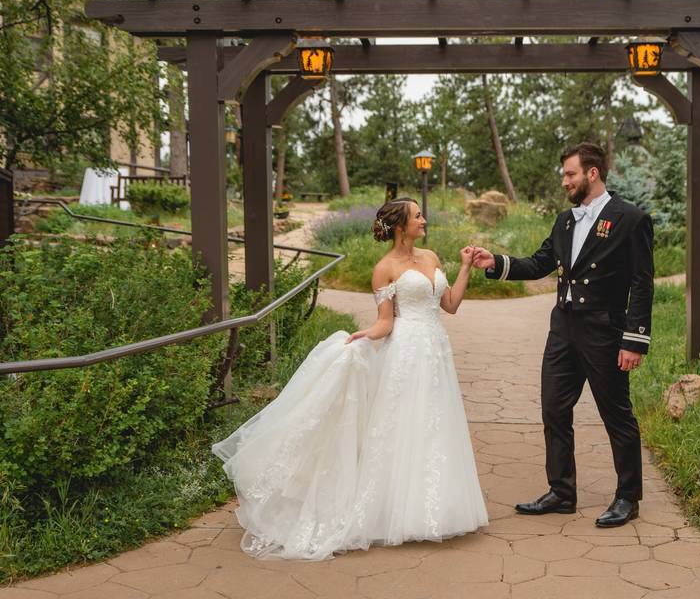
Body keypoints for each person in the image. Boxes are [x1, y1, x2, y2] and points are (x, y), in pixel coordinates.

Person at [213, 197, 488, 559]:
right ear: (401, 226)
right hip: (405, 353)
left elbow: (450, 304)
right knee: (402, 427)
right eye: (417, 215)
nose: (424, 219)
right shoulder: (384, 268)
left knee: (435, 426)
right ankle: (392, 512)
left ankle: (434, 509)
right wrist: (362, 337)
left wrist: (467, 266)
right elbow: (386, 321)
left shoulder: (433, 257)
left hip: (436, 350)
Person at [472, 142, 653, 528]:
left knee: (616, 415)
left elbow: (642, 283)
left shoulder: (630, 218)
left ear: (592, 173)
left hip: (605, 331)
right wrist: (497, 263)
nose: (564, 181)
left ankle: (627, 496)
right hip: (563, 328)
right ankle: (562, 491)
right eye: (563, 175)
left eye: (570, 174)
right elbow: (540, 263)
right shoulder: (564, 221)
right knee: (554, 409)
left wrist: (634, 340)